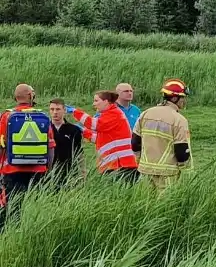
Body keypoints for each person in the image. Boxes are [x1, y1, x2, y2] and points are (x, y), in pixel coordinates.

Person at [0, 84, 55, 230]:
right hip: (37, 169)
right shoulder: (41, 116)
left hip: (12, 170)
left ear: (15, 97)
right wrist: (47, 168)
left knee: (13, 208)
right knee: (34, 207)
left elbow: (1, 145)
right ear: (31, 96)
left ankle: (13, 233)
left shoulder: (7, 116)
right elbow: (50, 147)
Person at [132, 79, 192, 191]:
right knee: (166, 206)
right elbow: (181, 150)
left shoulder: (145, 113)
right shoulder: (179, 120)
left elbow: (135, 142)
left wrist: (139, 160)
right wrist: (185, 170)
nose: (184, 101)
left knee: (145, 204)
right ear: (175, 98)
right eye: (183, 97)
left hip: (145, 171)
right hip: (168, 174)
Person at [67, 91, 139, 182]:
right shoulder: (109, 115)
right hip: (116, 164)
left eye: (96, 100)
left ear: (106, 101)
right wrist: (84, 131)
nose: (94, 104)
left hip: (121, 165)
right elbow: (99, 139)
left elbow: (94, 124)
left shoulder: (114, 114)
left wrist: (75, 112)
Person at [47, 98, 84, 186]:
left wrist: (83, 175)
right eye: (52, 109)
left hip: (69, 172)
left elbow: (79, 153)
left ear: (64, 110)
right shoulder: (45, 129)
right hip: (49, 173)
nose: (55, 112)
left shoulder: (74, 130)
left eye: (58, 109)